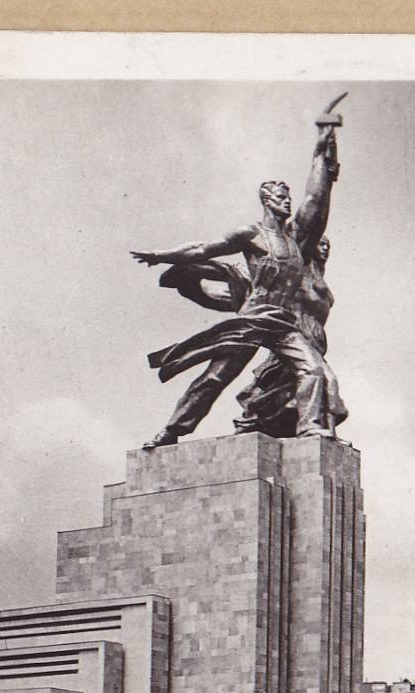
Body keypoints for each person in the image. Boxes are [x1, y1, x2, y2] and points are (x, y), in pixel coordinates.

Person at [134, 107, 349, 448]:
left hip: (283, 323)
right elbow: (203, 249)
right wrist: (163, 257)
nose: (287, 203)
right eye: (280, 198)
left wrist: (323, 146)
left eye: (288, 198)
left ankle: (310, 430)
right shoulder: (252, 234)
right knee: (215, 378)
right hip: (253, 318)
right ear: (266, 200)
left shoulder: (296, 241)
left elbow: (316, 196)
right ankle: (171, 431)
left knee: (311, 370)